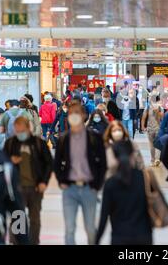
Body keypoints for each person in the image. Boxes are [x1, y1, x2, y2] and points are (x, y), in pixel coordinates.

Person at [54, 101, 107, 245]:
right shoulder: (63, 139)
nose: (74, 116)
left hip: (89, 188)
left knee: (90, 228)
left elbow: (103, 163)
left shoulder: (94, 138)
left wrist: (97, 184)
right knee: (69, 229)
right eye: (71, 113)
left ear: (84, 115)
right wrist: (61, 181)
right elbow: (57, 163)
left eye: (77, 113)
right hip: (69, 189)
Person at [3, 116, 53, 245]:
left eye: (22, 129)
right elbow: (1, 163)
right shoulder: (10, 144)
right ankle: (17, 242)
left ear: (28, 127)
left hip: (35, 187)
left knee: (34, 218)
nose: (19, 133)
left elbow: (48, 163)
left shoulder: (38, 143)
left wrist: (44, 181)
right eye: (17, 130)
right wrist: (10, 161)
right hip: (17, 188)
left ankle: (33, 242)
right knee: (17, 216)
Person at [95, 140, 153, 245]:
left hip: (120, 237)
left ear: (115, 158)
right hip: (143, 235)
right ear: (132, 155)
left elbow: (104, 217)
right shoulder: (145, 178)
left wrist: (96, 240)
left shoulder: (110, 183)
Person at [141, 95, 164, 167]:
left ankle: (156, 159)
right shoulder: (147, 108)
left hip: (158, 129)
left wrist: (157, 112)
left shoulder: (160, 108)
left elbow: (162, 118)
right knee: (151, 145)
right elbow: (144, 118)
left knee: (157, 144)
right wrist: (143, 126)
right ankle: (153, 159)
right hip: (150, 129)